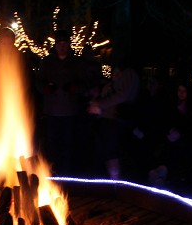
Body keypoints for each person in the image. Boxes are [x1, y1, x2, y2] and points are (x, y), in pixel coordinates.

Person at [35, 29, 91, 176]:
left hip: (69, 111)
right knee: (52, 144)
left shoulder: (76, 63)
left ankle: (65, 175)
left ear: (68, 45)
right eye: (59, 44)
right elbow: (38, 81)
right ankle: (51, 172)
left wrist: (75, 88)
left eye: (64, 44)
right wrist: (45, 88)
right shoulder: (47, 62)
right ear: (55, 45)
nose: (62, 47)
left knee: (67, 145)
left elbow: (85, 83)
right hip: (52, 111)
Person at [87, 56, 140, 180]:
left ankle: (115, 185)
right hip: (107, 120)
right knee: (107, 152)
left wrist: (100, 105)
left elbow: (122, 96)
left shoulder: (129, 73)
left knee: (112, 153)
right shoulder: (114, 81)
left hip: (115, 120)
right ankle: (111, 183)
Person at [147, 81, 192, 190]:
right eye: (179, 91)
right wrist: (170, 130)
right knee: (167, 148)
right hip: (172, 138)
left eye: (184, 91)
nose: (181, 94)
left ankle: (164, 176)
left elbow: (191, 126)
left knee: (176, 151)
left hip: (185, 140)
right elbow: (167, 121)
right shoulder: (173, 105)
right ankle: (161, 174)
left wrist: (180, 133)